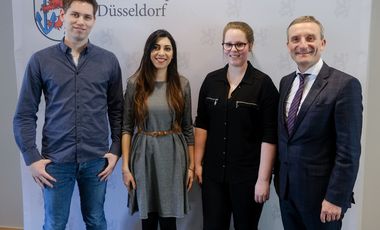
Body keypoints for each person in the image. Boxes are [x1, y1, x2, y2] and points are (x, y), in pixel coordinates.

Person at [13, 0, 123, 229]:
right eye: (75, 15)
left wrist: (115, 150)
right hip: (55, 160)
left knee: (96, 220)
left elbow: (117, 110)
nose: (80, 22)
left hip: (96, 160)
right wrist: (32, 157)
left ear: (93, 21)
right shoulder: (40, 60)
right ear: (63, 15)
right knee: (54, 224)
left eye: (87, 17)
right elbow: (24, 114)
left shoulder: (108, 61)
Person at [276, 16, 363, 230]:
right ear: (288, 45)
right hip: (287, 193)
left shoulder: (345, 85)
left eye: (310, 38)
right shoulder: (286, 82)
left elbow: (348, 150)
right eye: (295, 39)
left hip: (323, 199)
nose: (303, 44)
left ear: (322, 43)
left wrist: (336, 197)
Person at [194, 21, 279, 230]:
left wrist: (263, 179)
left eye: (240, 44)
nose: (234, 50)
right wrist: (196, 164)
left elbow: (270, 135)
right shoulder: (211, 80)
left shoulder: (263, 84)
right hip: (213, 176)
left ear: (250, 45)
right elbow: (202, 124)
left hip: (248, 178)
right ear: (222, 46)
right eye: (228, 44)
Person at [121, 29, 194, 230]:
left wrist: (191, 167)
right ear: (148, 52)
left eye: (167, 48)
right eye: (156, 47)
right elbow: (126, 128)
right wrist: (125, 167)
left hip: (173, 156)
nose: (161, 53)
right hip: (143, 155)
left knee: (169, 220)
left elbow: (188, 128)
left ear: (173, 54)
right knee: (148, 218)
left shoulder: (182, 84)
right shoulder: (135, 83)